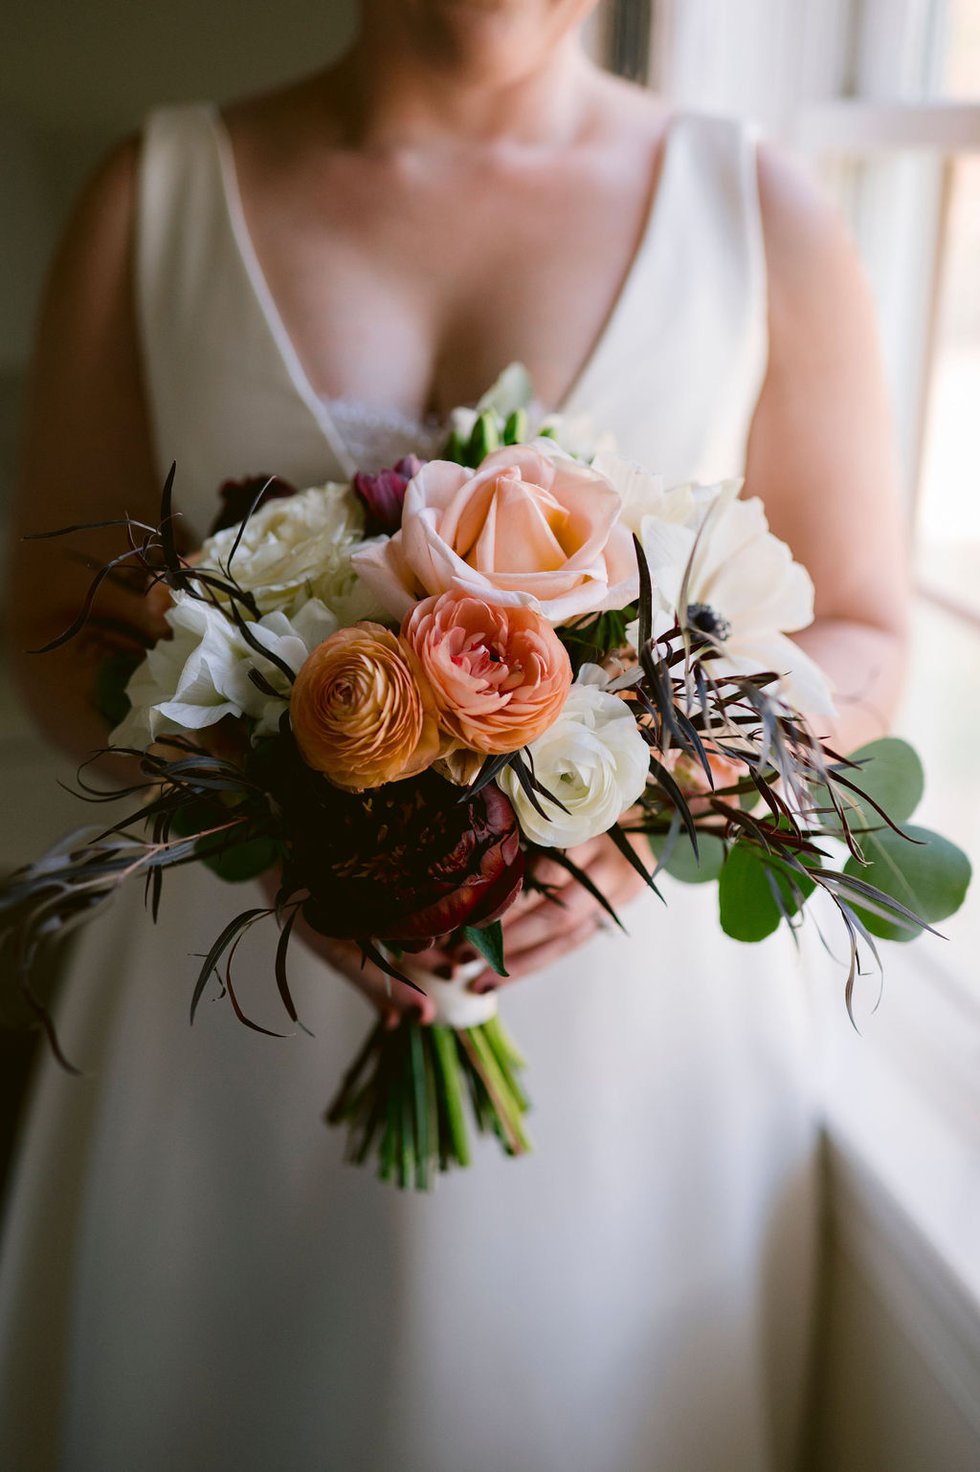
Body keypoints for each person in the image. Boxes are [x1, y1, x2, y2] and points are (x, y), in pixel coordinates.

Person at [1, 2, 907, 1468]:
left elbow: (864, 626)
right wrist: (274, 826)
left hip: (634, 1043)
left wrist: (661, 810)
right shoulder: (153, 196)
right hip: (234, 1025)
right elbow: (55, 616)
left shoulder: (764, 209)